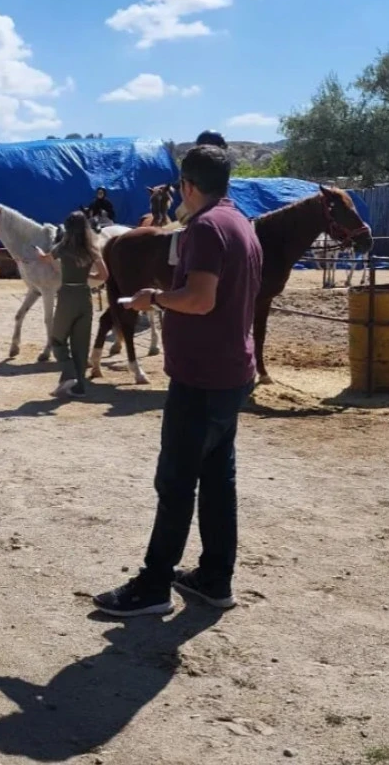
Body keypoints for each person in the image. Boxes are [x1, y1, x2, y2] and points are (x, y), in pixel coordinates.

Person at [93, 145, 262, 617]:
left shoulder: (205, 228)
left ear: (187, 186)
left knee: (175, 482)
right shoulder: (241, 223)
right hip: (230, 372)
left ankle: (153, 585)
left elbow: (201, 298)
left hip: (201, 376)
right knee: (216, 481)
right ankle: (214, 576)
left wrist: (157, 298)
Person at [36, 211, 109, 399]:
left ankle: (69, 374)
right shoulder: (92, 249)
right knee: (81, 345)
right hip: (85, 295)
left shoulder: (63, 247)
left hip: (67, 294)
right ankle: (79, 387)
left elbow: (46, 259)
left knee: (57, 339)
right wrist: (87, 276)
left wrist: (38, 253)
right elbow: (104, 276)